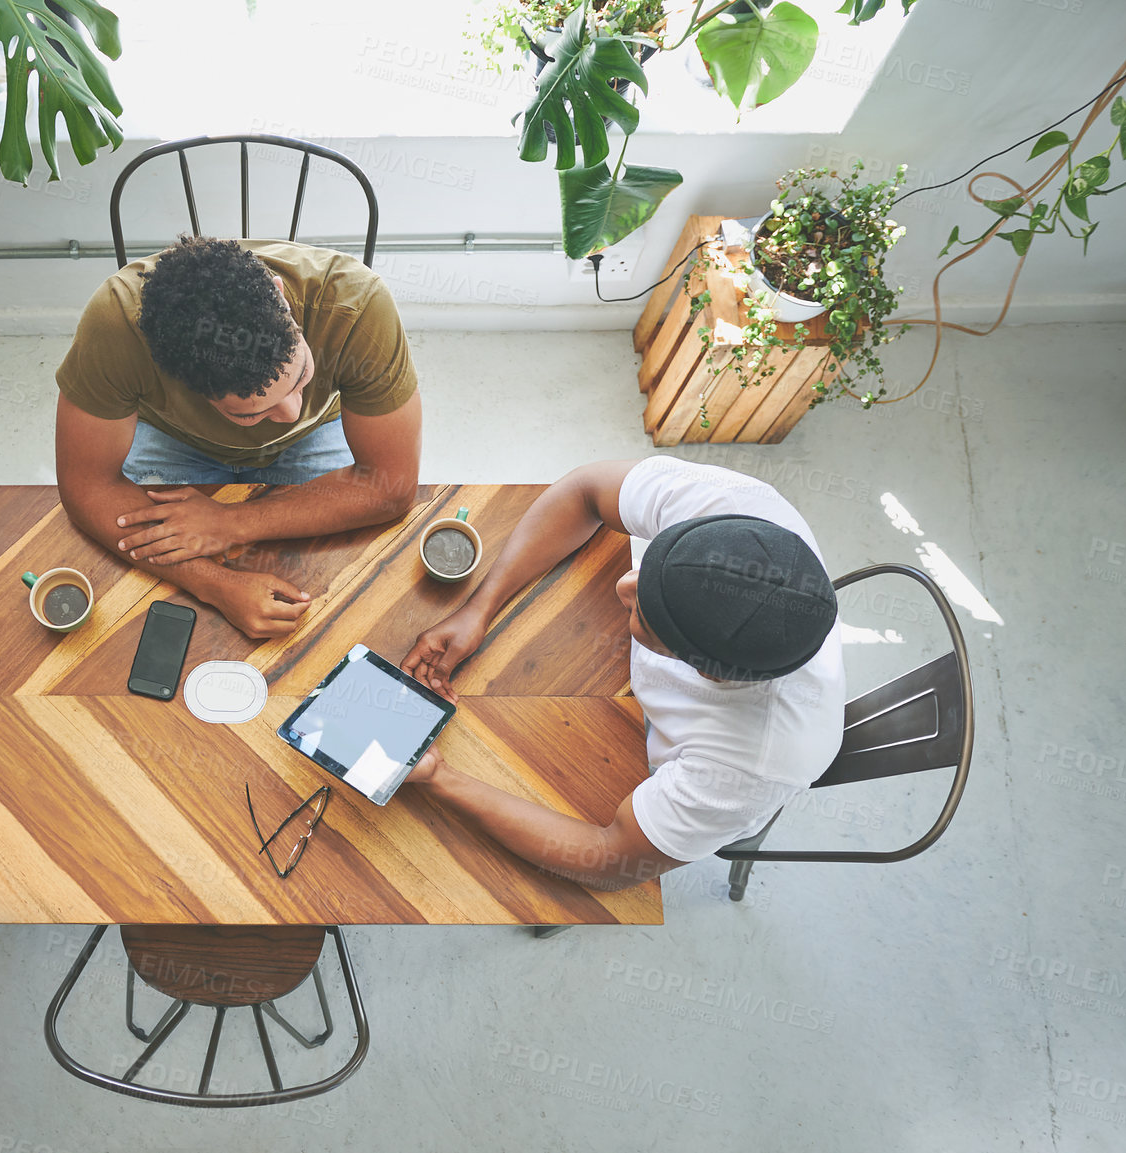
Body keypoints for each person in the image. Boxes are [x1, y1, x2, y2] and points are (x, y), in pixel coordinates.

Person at [399, 456, 845, 891]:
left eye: (645, 616)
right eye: (652, 565)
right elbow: (586, 491)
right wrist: (480, 608)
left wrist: (441, 779)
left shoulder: (749, 768)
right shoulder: (741, 509)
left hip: (636, 756)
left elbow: (609, 861)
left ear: (710, 676)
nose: (624, 584)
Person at [55, 235, 422, 639]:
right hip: (174, 439)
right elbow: (89, 487)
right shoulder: (116, 325)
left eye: (300, 377)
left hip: (320, 434)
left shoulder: (358, 303)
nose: (290, 414)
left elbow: (391, 488)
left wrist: (233, 522)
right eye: (251, 413)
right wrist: (215, 584)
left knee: (336, 598)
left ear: (279, 295)